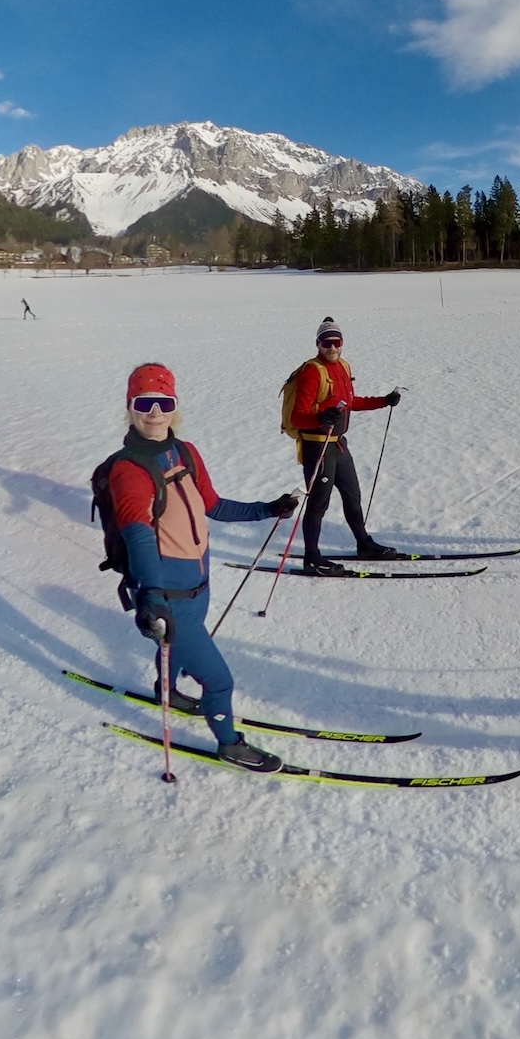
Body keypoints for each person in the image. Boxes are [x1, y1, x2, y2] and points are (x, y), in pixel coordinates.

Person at [103, 363, 299, 770]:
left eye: (164, 402)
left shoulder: (186, 452)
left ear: (175, 407)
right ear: (129, 408)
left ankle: (168, 691)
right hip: (168, 593)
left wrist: (266, 509)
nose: (154, 413)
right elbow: (138, 536)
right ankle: (230, 744)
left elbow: (213, 505)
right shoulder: (127, 470)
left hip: (199, 583)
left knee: (173, 647)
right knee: (219, 679)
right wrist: (152, 596)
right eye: (144, 403)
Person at [284, 317, 403, 574]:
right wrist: (320, 418)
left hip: (338, 446)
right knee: (318, 503)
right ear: (318, 344)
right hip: (318, 449)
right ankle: (312, 557)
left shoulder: (343, 366)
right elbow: (297, 416)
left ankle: (364, 544)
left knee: (353, 497)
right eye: (327, 342)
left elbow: (350, 401)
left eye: (337, 342)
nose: (332, 347)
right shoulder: (312, 372)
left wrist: (383, 401)